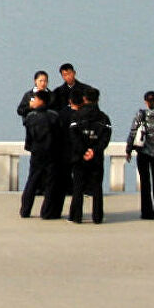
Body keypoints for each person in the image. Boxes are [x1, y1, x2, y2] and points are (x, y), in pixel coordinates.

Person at [126, 91, 154, 220]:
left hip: (144, 152)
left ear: (145, 101)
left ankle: (147, 212)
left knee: (145, 182)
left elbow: (133, 132)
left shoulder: (141, 115)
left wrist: (129, 149)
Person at [68, 89, 112, 224]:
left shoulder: (76, 116)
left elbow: (73, 137)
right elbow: (105, 139)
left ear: (84, 99)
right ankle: (97, 217)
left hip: (79, 157)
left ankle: (76, 216)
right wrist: (94, 151)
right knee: (97, 187)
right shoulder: (104, 118)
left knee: (78, 187)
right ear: (98, 99)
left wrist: (84, 151)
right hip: (96, 158)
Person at [19, 90, 61, 219]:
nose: (33, 101)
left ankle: (25, 210)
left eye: (35, 99)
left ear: (41, 101)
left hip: (37, 152)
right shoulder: (54, 116)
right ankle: (46, 212)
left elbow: (29, 137)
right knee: (50, 183)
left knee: (32, 180)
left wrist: (30, 148)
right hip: (52, 153)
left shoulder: (31, 117)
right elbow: (59, 136)